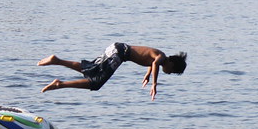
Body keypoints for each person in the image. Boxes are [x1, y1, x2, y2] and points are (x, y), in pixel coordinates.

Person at [39, 43, 187, 100]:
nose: (169, 73)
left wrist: (147, 75)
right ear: (172, 63)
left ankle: (57, 61)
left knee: (91, 70)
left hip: (117, 49)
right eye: (172, 71)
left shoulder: (159, 57)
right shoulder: (160, 58)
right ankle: (60, 84)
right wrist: (154, 84)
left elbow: (151, 63)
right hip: (120, 53)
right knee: (96, 83)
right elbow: (155, 64)